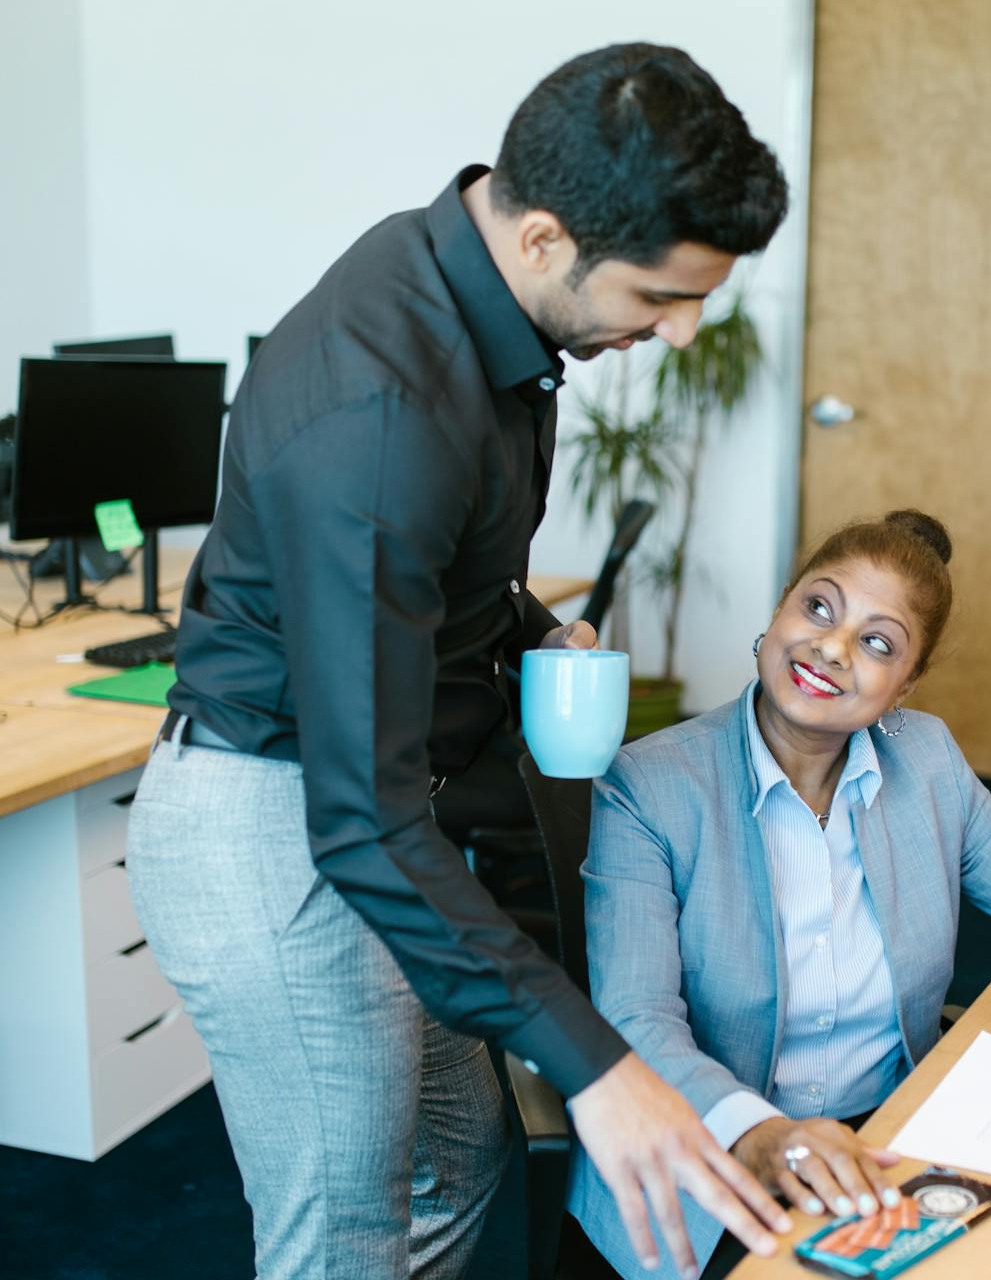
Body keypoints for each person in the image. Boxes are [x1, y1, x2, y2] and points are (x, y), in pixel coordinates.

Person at [125, 43, 792, 1280]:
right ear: (543, 238)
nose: (681, 329)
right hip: (278, 819)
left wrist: (531, 628)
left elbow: (442, 575)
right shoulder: (378, 415)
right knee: (344, 1235)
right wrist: (599, 1066)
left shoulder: (473, 284)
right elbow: (361, 821)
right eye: (660, 295)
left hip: (368, 804)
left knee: (459, 1156)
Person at [569, 509, 991, 1280]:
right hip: (714, 1159)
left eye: (878, 643)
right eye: (818, 608)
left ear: (904, 685)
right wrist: (761, 1133)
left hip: (890, 1137)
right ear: (779, 609)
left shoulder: (926, 761)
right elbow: (635, 1021)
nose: (832, 648)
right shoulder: (650, 785)